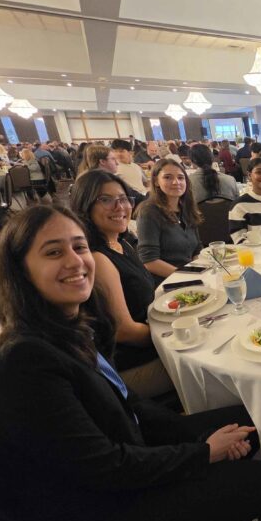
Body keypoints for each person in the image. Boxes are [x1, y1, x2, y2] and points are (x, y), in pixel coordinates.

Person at [0, 204, 261, 521]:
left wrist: (196, 439)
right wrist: (203, 452)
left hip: (128, 460)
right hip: (108, 519)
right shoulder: (24, 365)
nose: (75, 261)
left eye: (79, 247)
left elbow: (128, 404)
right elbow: (106, 469)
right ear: (20, 270)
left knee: (257, 423)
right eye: (54, 252)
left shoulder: (66, 328)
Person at [70, 170, 176, 398]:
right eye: (106, 200)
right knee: (210, 368)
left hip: (151, 343)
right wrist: (175, 332)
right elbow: (124, 331)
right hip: (130, 366)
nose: (120, 207)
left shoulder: (122, 243)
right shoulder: (99, 258)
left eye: (124, 199)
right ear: (84, 207)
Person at [135, 159, 202, 281]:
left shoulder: (186, 208)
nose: (176, 182)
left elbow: (197, 248)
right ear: (156, 181)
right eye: (168, 177)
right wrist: (186, 276)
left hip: (189, 277)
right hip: (166, 282)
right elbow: (149, 261)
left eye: (181, 178)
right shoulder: (149, 212)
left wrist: (198, 270)